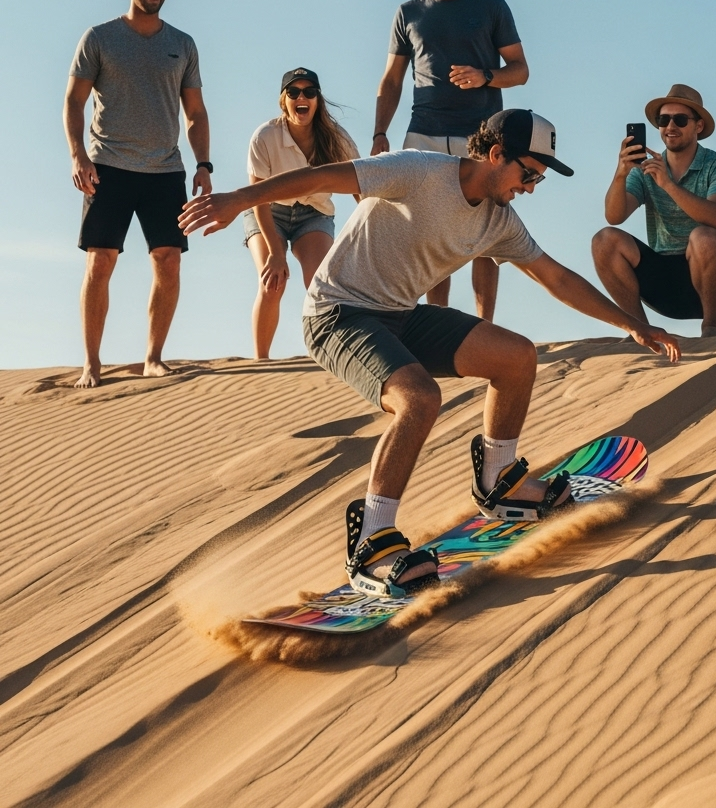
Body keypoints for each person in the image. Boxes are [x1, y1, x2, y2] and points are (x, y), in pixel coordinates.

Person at [180, 109, 679, 597]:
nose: (528, 188)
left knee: (516, 356)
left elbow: (555, 277)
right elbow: (327, 177)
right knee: (419, 399)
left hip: (399, 314)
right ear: (496, 154)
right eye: (527, 174)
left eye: (538, 181)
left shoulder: (499, 221)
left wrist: (633, 324)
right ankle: (372, 544)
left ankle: (499, 482)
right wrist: (239, 199)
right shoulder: (419, 170)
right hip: (338, 314)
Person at [64, 0, 212, 388]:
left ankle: (153, 357)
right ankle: (92, 363)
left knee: (168, 261)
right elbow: (73, 101)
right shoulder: (100, 37)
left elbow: (197, 112)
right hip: (107, 165)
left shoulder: (182, 44)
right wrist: (78, 155)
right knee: (101, 261)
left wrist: (203, 163)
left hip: (166, 171)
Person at [371, 0, 529, 322]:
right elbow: (391, 81)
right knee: (425, 231)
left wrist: (485, 75)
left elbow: (520, 69)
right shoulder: (408, 13)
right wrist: (379, 133)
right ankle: (435, 321)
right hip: (422, 132)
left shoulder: (491, 6)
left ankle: (484, 326)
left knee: (485, 233)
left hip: (481, 134)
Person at [592, 84, 716, 338]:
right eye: (664, 120)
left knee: (703, 237)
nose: (670, 126)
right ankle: (639, 331)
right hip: (665, 282)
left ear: (698, 126)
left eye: (680, 119)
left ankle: (711, 329)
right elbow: (614, 216)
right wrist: (621, 173)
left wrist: (667, 184)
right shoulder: (647, 169)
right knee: (604, 240)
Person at [243, 68, 360, 359]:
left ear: (317, 100)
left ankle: (328, 356)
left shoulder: (336, 138)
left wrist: (377, 228)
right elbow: (257, 198)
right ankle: (262, 363)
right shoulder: (265, 136)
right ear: (284, 101)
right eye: (293, 92)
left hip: (314, 214)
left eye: (309, 92)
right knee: (272, 281)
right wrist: (275, 252)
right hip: (268, 211)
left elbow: (363, 186)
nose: (301, 97)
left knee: (320, 285)